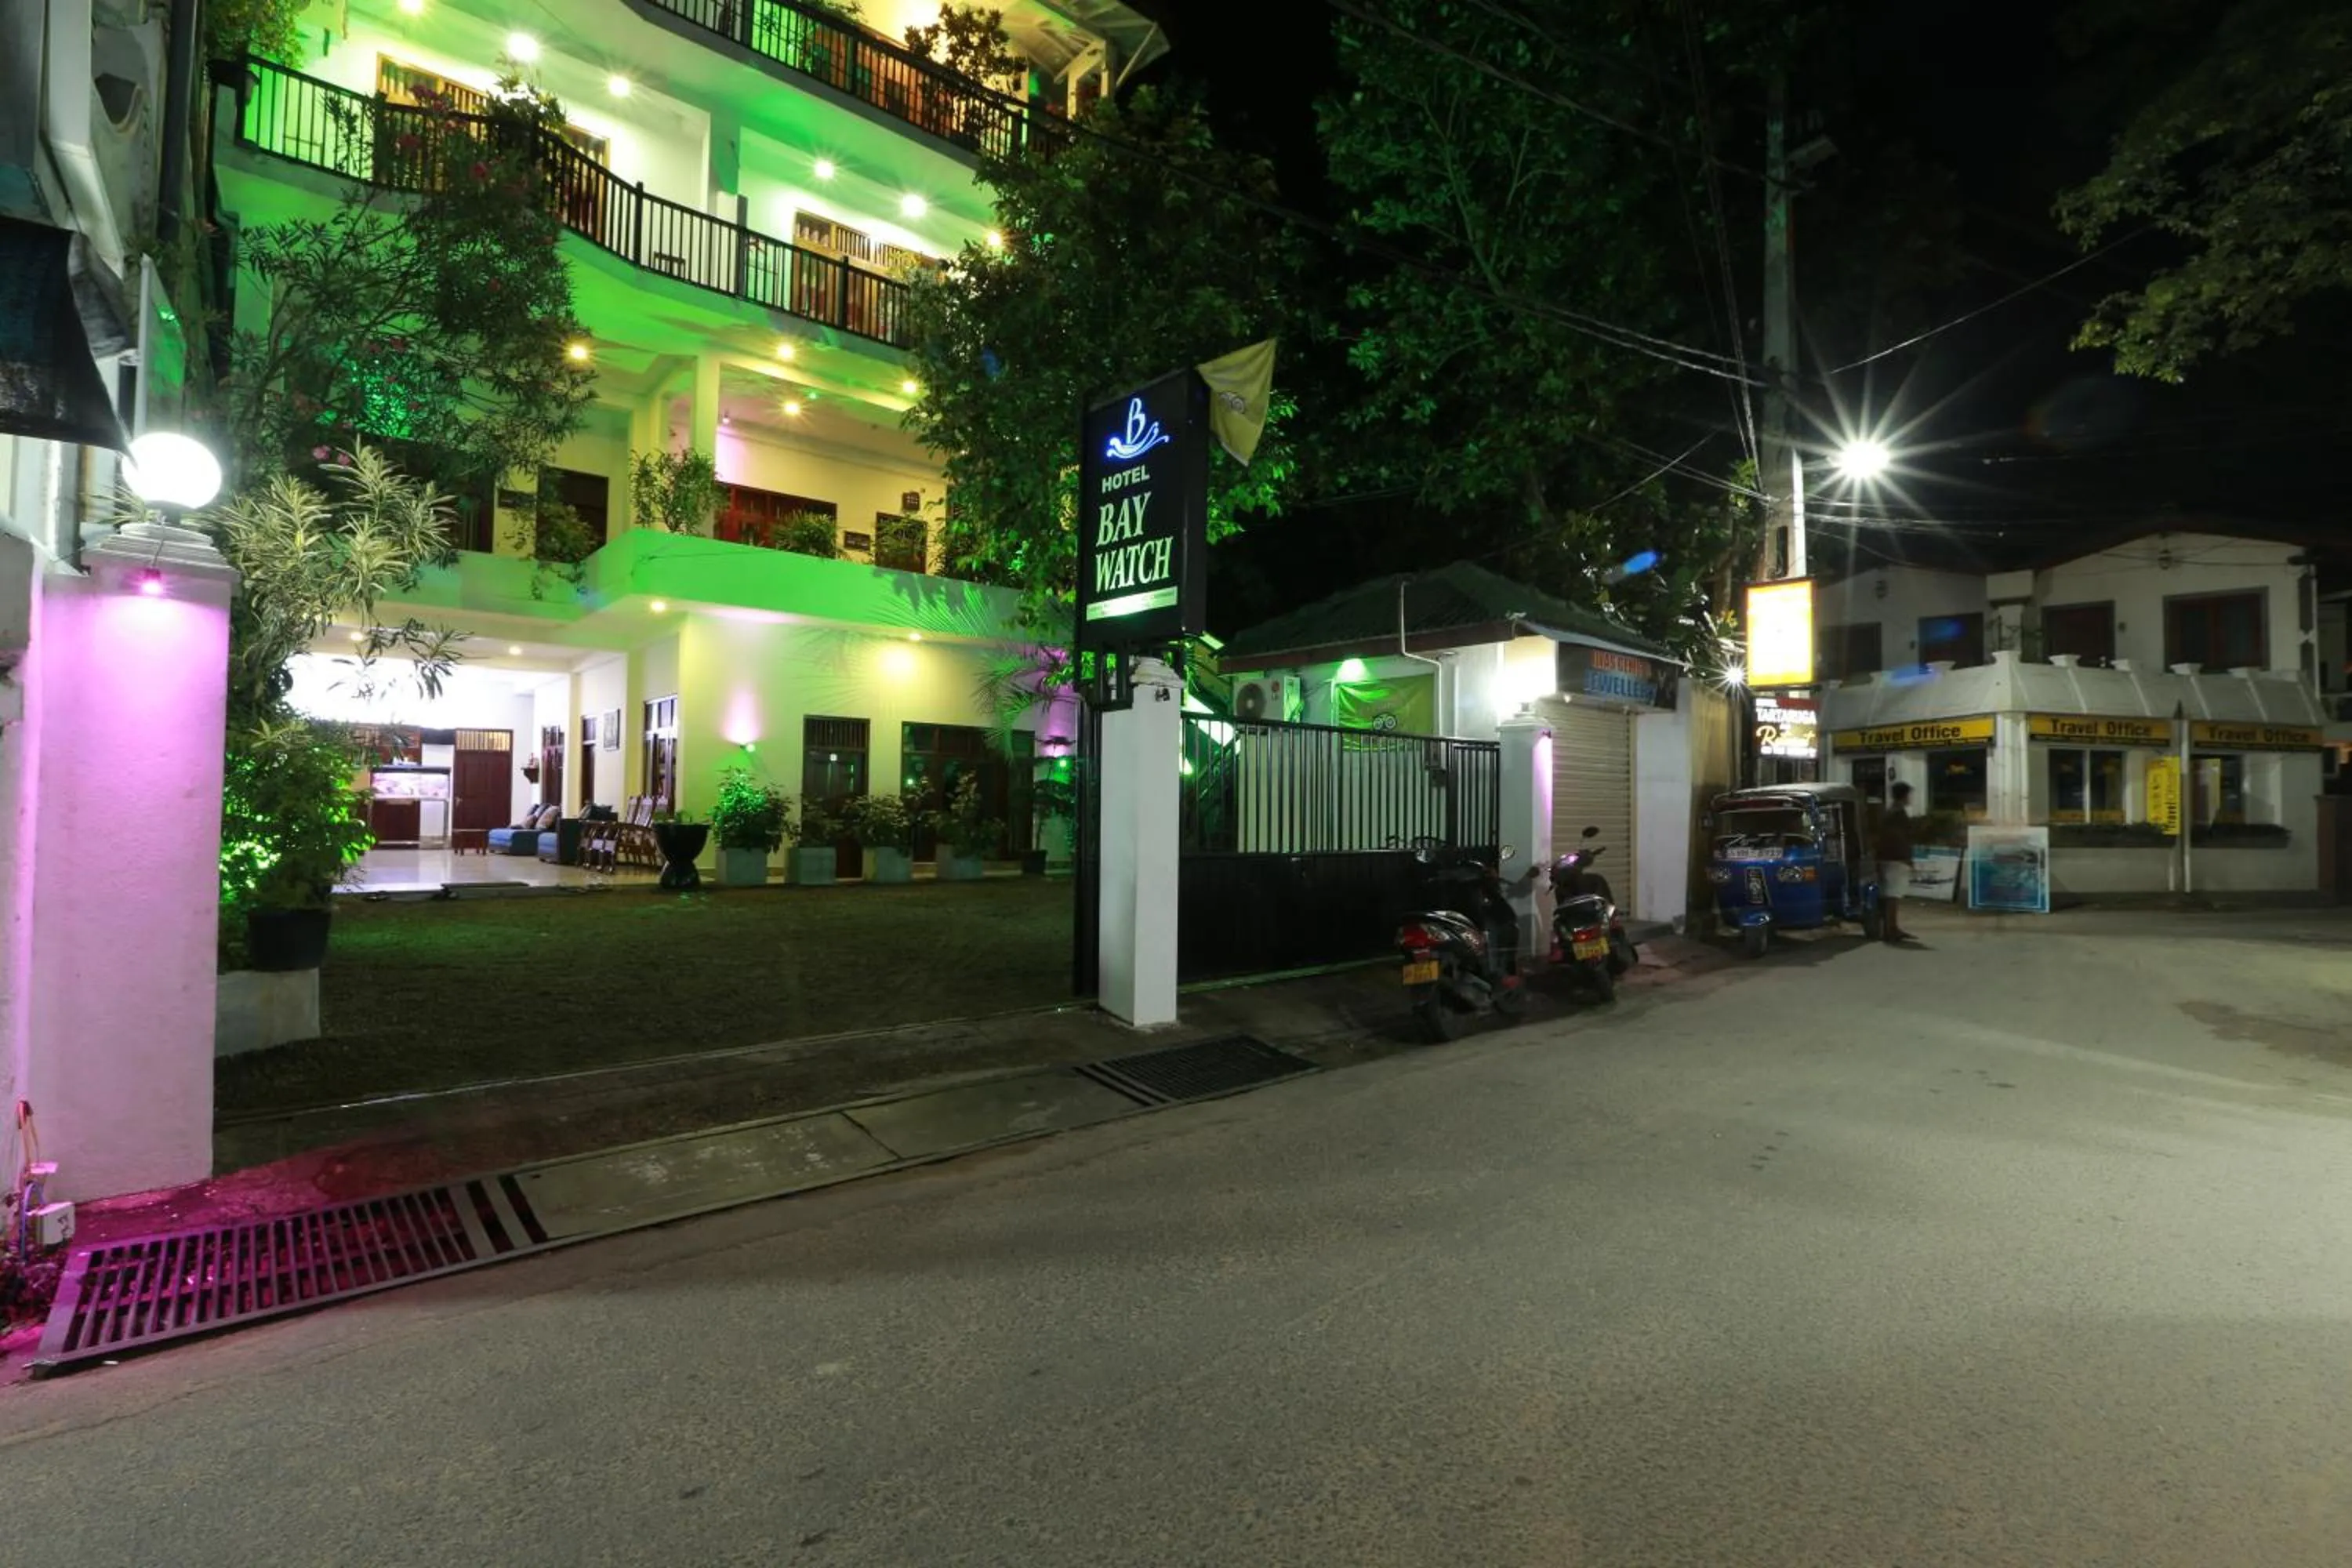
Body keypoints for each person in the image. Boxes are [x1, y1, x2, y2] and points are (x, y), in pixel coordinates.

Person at [1875, 781, 1916, 942]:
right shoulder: (1897, 813)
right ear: (1904, 795)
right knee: (1892, 895)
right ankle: (1890, 929)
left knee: (1891, 895)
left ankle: (1892, 927)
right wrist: (1906, 857)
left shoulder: (1891, 811)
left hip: (1888, 857)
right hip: (1894, 858)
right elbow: (1898, 838)